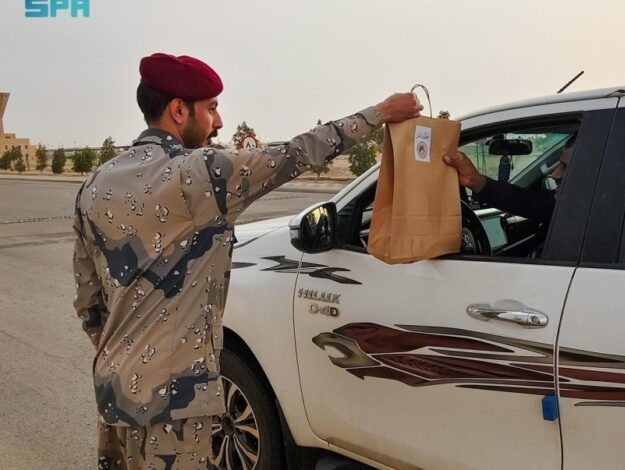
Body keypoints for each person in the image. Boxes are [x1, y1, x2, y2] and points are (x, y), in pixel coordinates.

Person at [72, 52, 421, 469]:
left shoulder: (94, 184)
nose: (218, 122)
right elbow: (297, 153)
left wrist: (127, 358)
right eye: (211, 108)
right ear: (179, 110)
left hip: (114, 394)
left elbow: (89, 303)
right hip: (172, 405)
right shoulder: (198, 173)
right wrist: (380, 114)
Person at [444, 134, 576, 225]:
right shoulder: (566, 206)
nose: (555, 175)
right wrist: (476, 182)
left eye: (566, 167)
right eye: (559, 165)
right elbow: (526, 201)